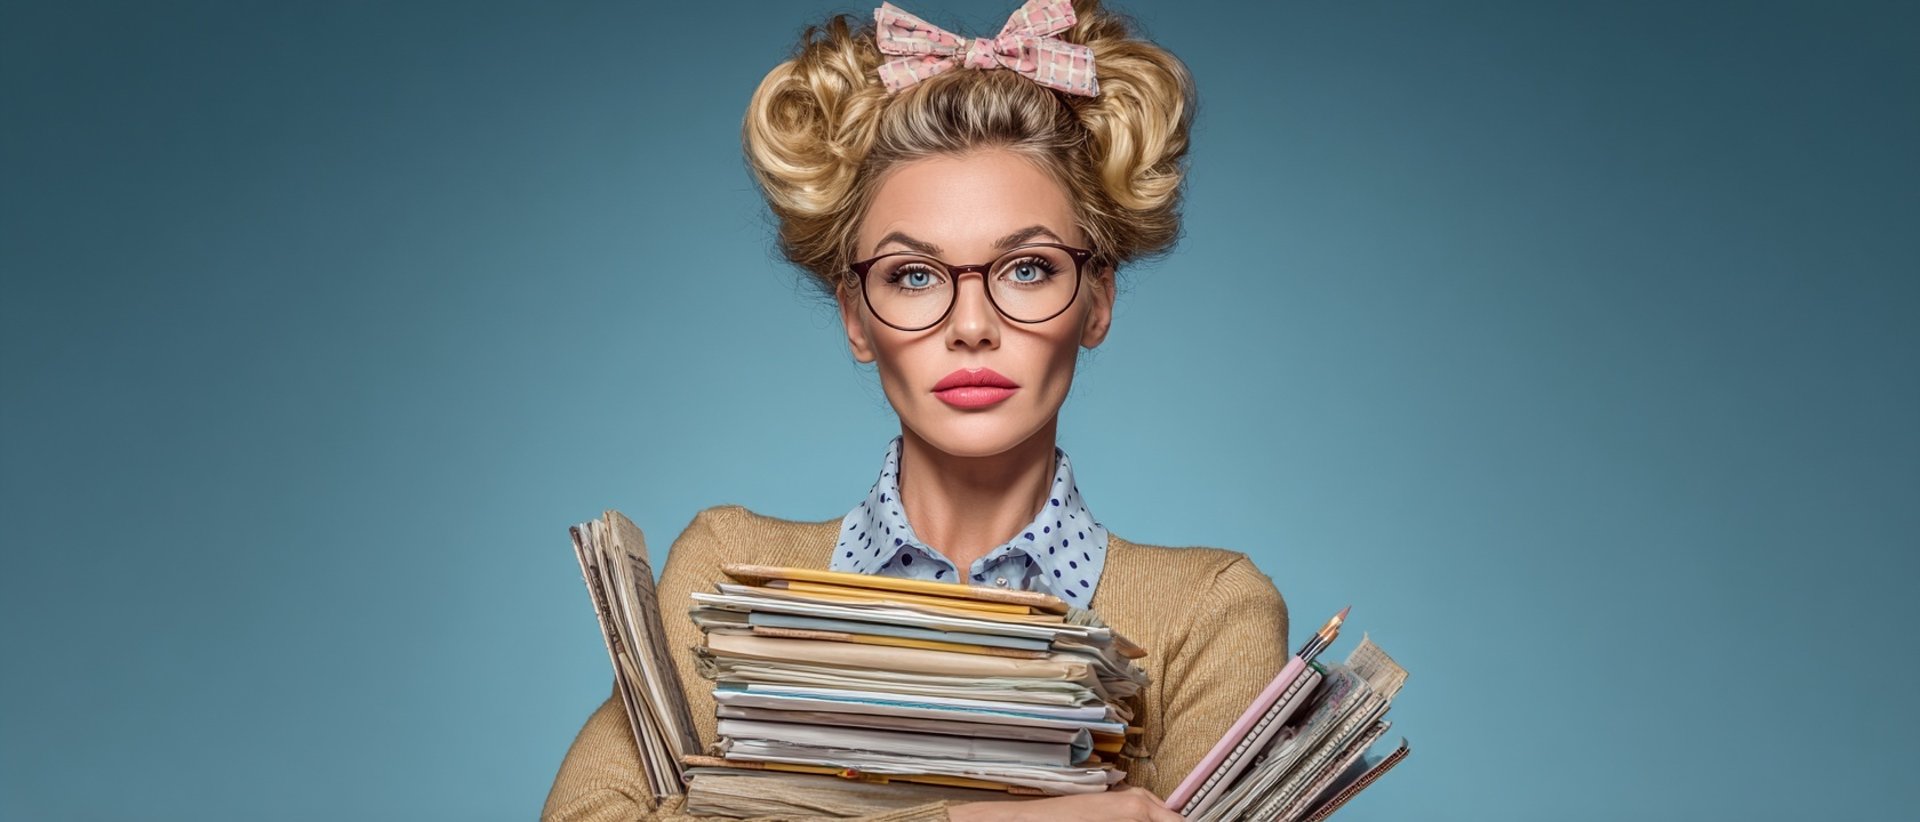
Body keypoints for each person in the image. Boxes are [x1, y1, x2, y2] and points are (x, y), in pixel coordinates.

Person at [542, 1, 1289, 819]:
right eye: (914, 276)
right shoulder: (726, 569)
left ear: (1098, 300)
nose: (972, 326)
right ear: (856, 317)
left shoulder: (1207, 613)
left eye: (1029, 268)